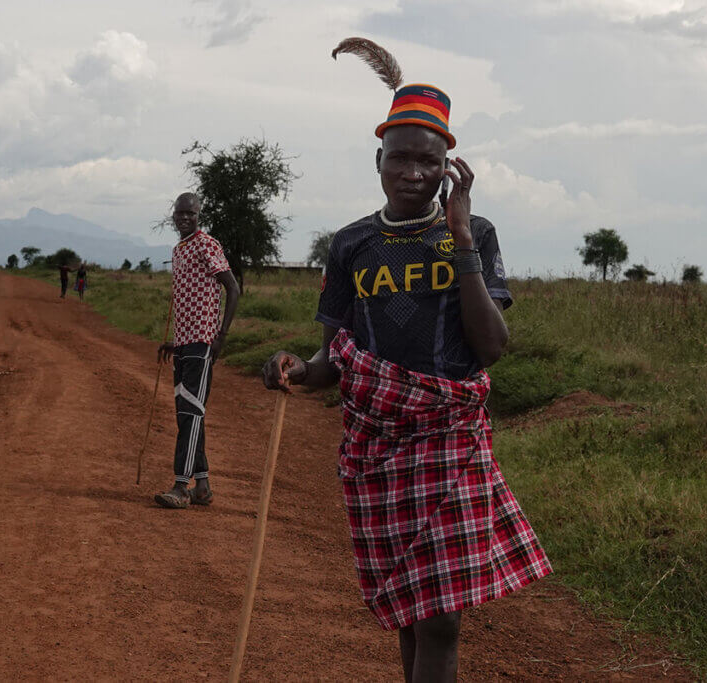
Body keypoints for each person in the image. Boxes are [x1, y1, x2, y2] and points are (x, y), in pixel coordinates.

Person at [261, 42, 551, 682]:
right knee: (408, 606)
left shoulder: (475, 235)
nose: (414, 171)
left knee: (441, 616)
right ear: (379, 162)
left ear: (449, 168)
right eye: (401, 157)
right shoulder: (352, 245)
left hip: (448, 436)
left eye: (429, 159)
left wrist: (463, 239)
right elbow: (338, 353)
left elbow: (492, 347)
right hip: (376, 444)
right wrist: (298, 370)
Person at [154, 192, 240, 509]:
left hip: (203, 343)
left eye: (190, 213)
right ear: (173, 215)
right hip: (184, 344)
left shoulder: (207, 244)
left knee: (190, 414)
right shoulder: (179, 250)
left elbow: (233, 288)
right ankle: (202, 486)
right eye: (179, 213)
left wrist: (221, 336)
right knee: (189, 415)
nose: (184, 218)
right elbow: (191, 301)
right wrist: (175, 342)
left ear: (199, 213)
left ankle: (181, 486)